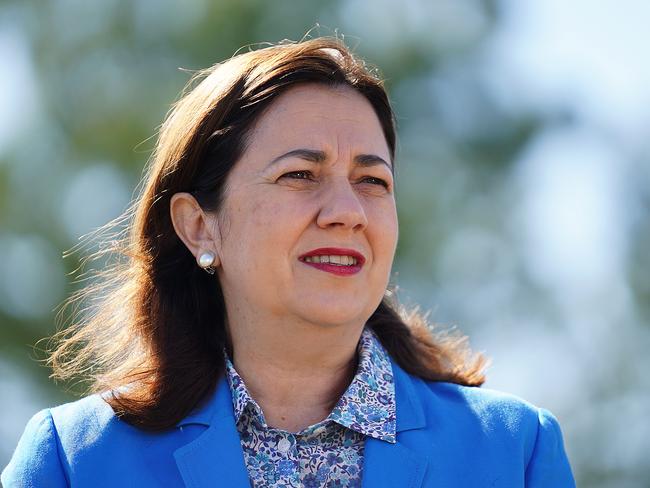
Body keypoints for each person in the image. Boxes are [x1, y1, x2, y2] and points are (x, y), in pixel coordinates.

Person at [2, 37, 575, 487]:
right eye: (300, 175)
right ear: (199, 225)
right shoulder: (76, 461)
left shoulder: (515, 450)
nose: (347, 212)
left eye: (372, 181)